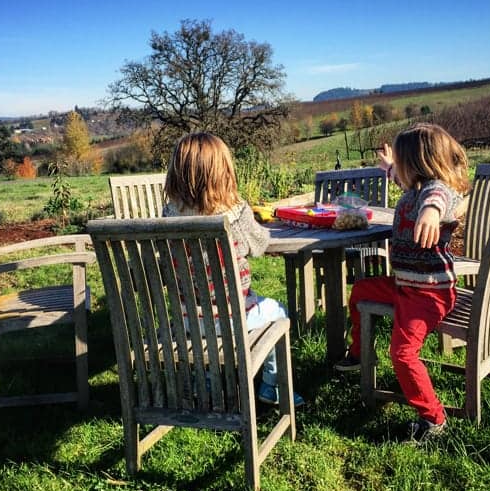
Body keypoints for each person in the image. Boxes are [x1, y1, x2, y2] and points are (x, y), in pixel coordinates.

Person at [334, 123, 469, 442]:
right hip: (406, 285)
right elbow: (404, 180)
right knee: (361, 290)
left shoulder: (436, 191)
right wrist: (388, 166)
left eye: (402, 165)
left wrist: (432, 215)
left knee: (403, 353)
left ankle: (433, 418)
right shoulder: (413, 188)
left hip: (429, 294)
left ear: (418, 165)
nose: (398, 173)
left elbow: (439, 200)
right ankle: (358, 353)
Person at [163, 132, 305, 407]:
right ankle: (272, 387)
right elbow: (260, 244)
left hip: (187, 321)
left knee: (201, 307)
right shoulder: (236, 212)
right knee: (278, 312)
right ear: (223, 172)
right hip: (232, 320)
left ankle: (204, 381)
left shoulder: (168, 215)